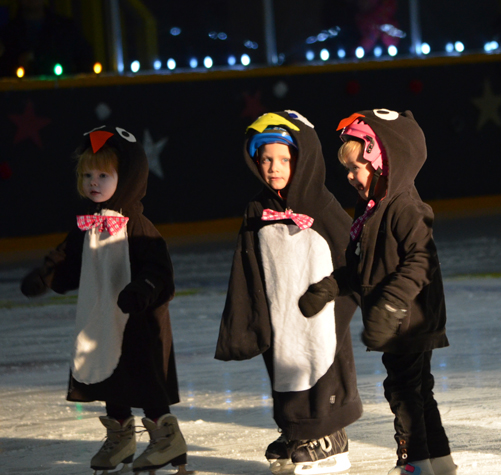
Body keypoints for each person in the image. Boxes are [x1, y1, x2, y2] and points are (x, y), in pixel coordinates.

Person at [20, 125, 193, 475]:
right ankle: (120, 436)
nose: (93, 182)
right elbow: (66, 260)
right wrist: (45, 277)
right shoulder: (85, 226)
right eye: (87, 175)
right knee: (108, 376)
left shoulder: (138, 226)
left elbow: (159, 270)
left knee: (143, 376)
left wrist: (142, 289)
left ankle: (165, 437)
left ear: (127, 177)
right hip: (100, 317)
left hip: (138, 320)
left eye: (103, 174)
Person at [299, 109, 457, 475]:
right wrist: (329, 287)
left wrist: (390, 307)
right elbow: (362, 269)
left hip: (409, 320)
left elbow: (420, 262)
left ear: (383, 162)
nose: (352, 176)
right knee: (418, 390)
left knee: (403, 391)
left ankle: (414, 463)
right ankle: (438, 460)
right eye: (348, 170)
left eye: (358, 167)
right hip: (402, 319)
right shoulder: (373, 210)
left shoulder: (405, 208)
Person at [215, 111, 363, 474]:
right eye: (265, 159)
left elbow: (357, 257)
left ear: (304, 159)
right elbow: (245, 263)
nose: (273, 167)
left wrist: (335, 297)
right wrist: (246, 316)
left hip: (321, 310)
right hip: (279, 308)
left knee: (321, 362)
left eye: (284, 159)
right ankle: (296, 430)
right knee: (284, 368)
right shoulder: (256, 209)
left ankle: (331, 434)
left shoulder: (322, 206)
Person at [0, 0, 94, 77]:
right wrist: (16, 62)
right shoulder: (8, 33)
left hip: (63, 92)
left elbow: (85, 61)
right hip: (21, 94)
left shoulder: (64, 27)